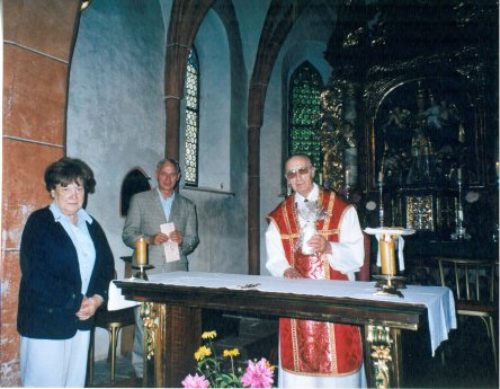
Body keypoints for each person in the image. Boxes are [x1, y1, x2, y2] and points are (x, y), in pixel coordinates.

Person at [265, 154, 366, 388]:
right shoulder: (280, 215)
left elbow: (356, 256)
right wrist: (285, 270)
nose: (297, 178)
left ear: (313, 171)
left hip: (335, 298)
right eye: (291, 173)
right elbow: (275, 258)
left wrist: (330, 246)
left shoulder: (341, 208)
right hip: (297, 300)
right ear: (286, 179)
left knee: (339, 360)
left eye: (302, 171)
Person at [17, 157, 114, 387]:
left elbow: (107, 268)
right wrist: (76, 301)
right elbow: (35, 275)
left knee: (73, 384)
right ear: (52, 191)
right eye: (65, 187)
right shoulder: (40, 223)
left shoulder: (91, 225)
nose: (74, 194)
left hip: (82, 321)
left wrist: (97, 300)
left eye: (79, 187)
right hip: (46, 322)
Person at [122, 157, 199, 379]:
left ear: (178, 177)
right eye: (164, 174)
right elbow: (128, 234)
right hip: (148, 269)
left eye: (172, 174)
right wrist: (149, 239)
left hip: (177, 270)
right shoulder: (140, 200)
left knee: (177, 321)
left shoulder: (187, 205)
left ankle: (173, 368)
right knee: (143, 322)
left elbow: (194, 239)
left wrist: (183, 239)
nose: (168, 178)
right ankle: (141, 371)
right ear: (157, 174)